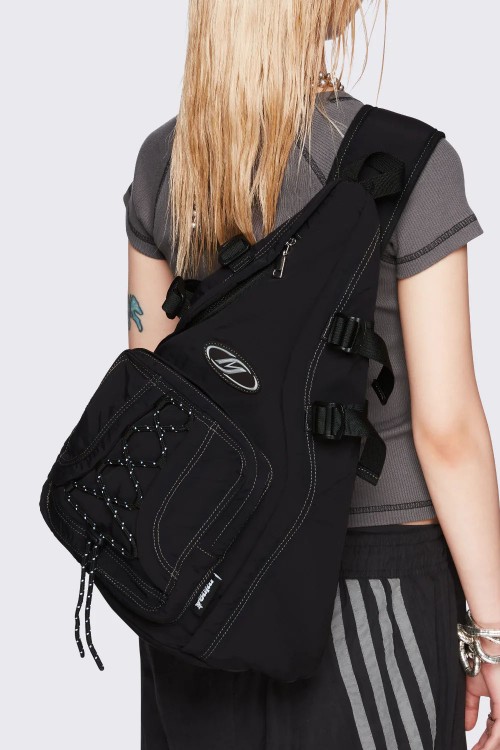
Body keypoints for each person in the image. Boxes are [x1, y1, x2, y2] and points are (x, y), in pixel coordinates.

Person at [123, 2, 500, 748]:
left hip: (201, 596)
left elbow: (153, 401)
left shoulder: (166, 164)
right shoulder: (411, 163)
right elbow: (446, 432)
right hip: (373, 586)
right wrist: (492, 636)